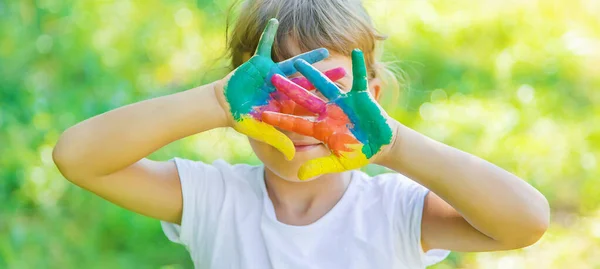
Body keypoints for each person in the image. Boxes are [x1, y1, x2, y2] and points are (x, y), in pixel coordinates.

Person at [52, 0, 550, 268]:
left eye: (327, 95)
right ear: (239, 99)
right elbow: (77, 158)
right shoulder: (213, 199)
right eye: (276, 94)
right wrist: (212, 103)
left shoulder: (396, 211)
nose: (304, 115)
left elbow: (525, 223)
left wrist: (394, 145)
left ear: (371, 97)